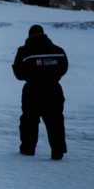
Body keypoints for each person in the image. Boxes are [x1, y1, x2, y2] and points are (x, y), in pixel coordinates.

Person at [12, 24, 68, 160]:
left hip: (32, 90)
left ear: (29, 35)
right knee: (55, 121)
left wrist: (33, 75)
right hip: (53, 89)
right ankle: (58, 151)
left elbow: (18, 73)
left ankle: (28, 149)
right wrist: (51, 76)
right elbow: (64, 68)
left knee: (29, 121)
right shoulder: (58, 50)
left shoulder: (24, 51)